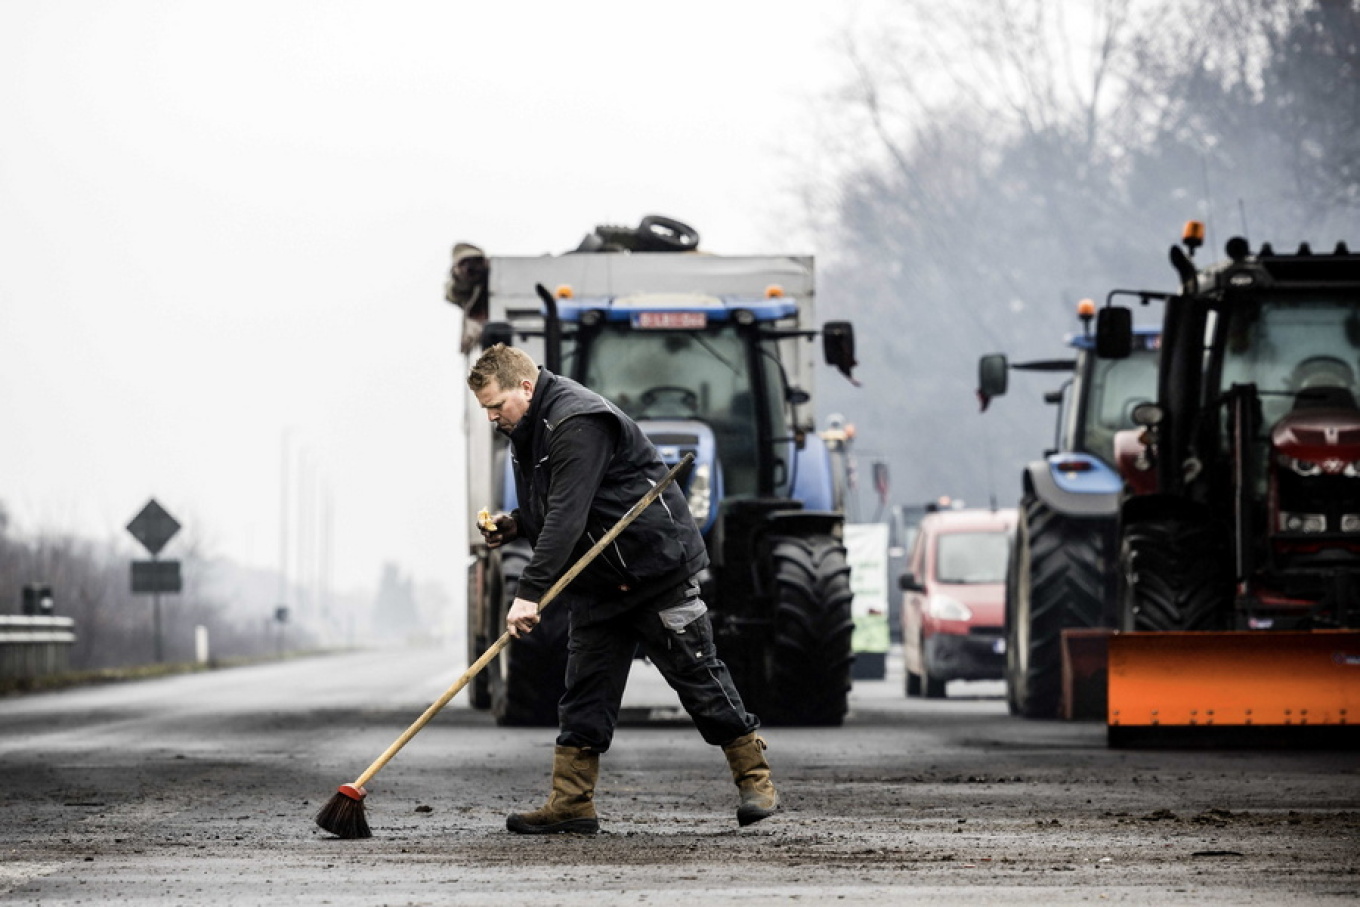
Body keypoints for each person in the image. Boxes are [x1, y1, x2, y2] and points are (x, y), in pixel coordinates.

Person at [466, 343, 777, 834]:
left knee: (698, 676)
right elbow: (555, 506)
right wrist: (516, 523)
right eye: (484, 409)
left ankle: (755, 780)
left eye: (495, 405)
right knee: (585, 692)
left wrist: (529, 592)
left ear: (525, 388)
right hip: (598, 580)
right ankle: (571, 802)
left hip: (654, 570)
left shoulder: (576, 421)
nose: (490, 417)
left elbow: (569, 515)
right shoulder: (524, 432)